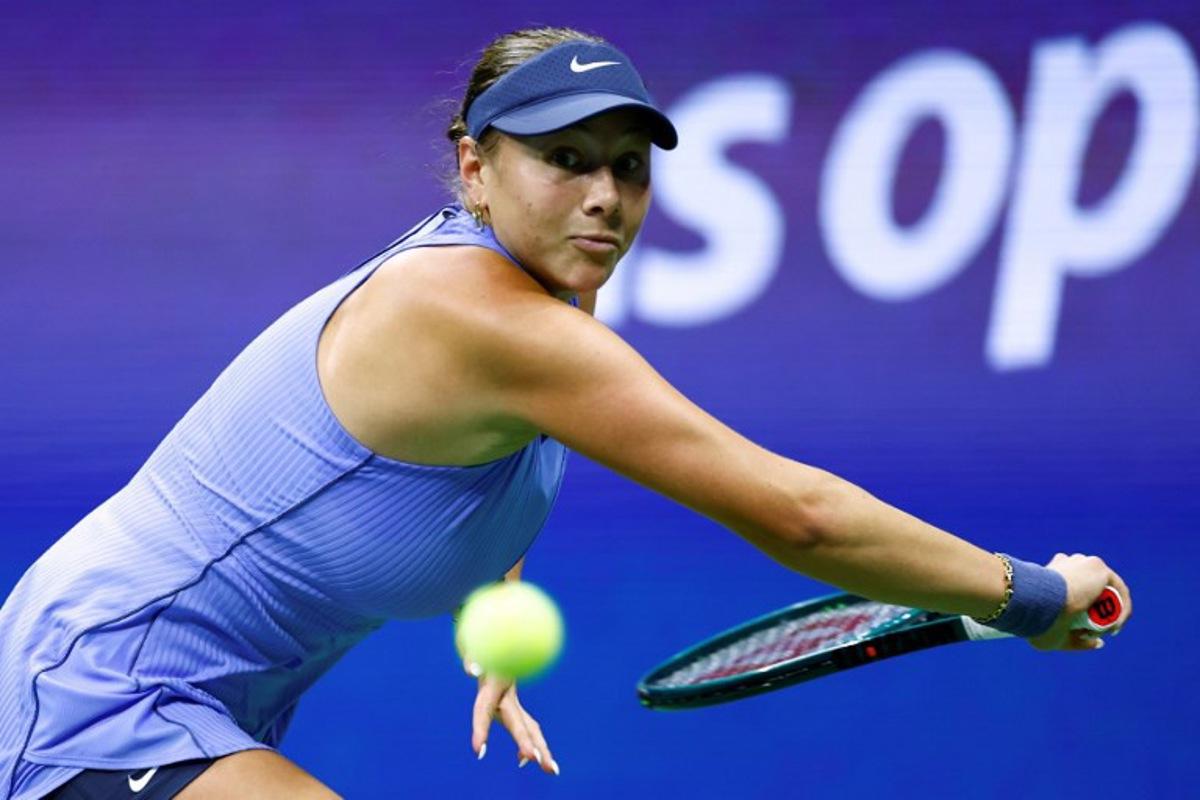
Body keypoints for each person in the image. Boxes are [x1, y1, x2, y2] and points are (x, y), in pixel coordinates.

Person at [0, 26, 1131, 800]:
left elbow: (462, 462)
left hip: (201, 692)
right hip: (105, 679)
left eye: (628, 166)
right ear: (474, 167)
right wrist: (1030, 593)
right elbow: (801, 516)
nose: (604, 196)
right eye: (565, 159)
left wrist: (492, 588)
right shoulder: (490, 320)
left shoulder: (539, 299)